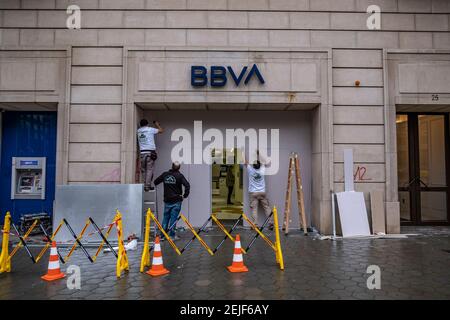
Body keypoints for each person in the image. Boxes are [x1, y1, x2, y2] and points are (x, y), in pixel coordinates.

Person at [154, 161, 190, 240]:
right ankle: (172, 236)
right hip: (177, 201)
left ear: (172, 166)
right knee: (173, 219)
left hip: (167, 200)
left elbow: (155, 182)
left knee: (165, 218)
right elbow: (187, 185)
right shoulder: (180, 176)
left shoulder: (165, 174)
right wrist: (185, 196)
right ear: (179, 167)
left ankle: (162, 236)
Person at [245, 156, 273, 229]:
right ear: (260, 165)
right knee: (267, 207)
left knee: (254, 209)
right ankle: (270, 222)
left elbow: (246, 162)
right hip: (262, 192)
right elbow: (265, 162)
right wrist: (258, 154)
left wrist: (243, 152)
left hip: (253, 193)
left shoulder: (250, 170)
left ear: (253, 166)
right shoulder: (262, 170)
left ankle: (255, 224)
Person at [137, 119, 163, 191]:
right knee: (149, 170)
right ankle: (147, 186)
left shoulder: (138, 131)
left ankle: (145, 184)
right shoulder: (150, 129)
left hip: (142, 153)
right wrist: (157, 124)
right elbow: (161, 131)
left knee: (144, 170)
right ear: (147, 124)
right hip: (150, 153)